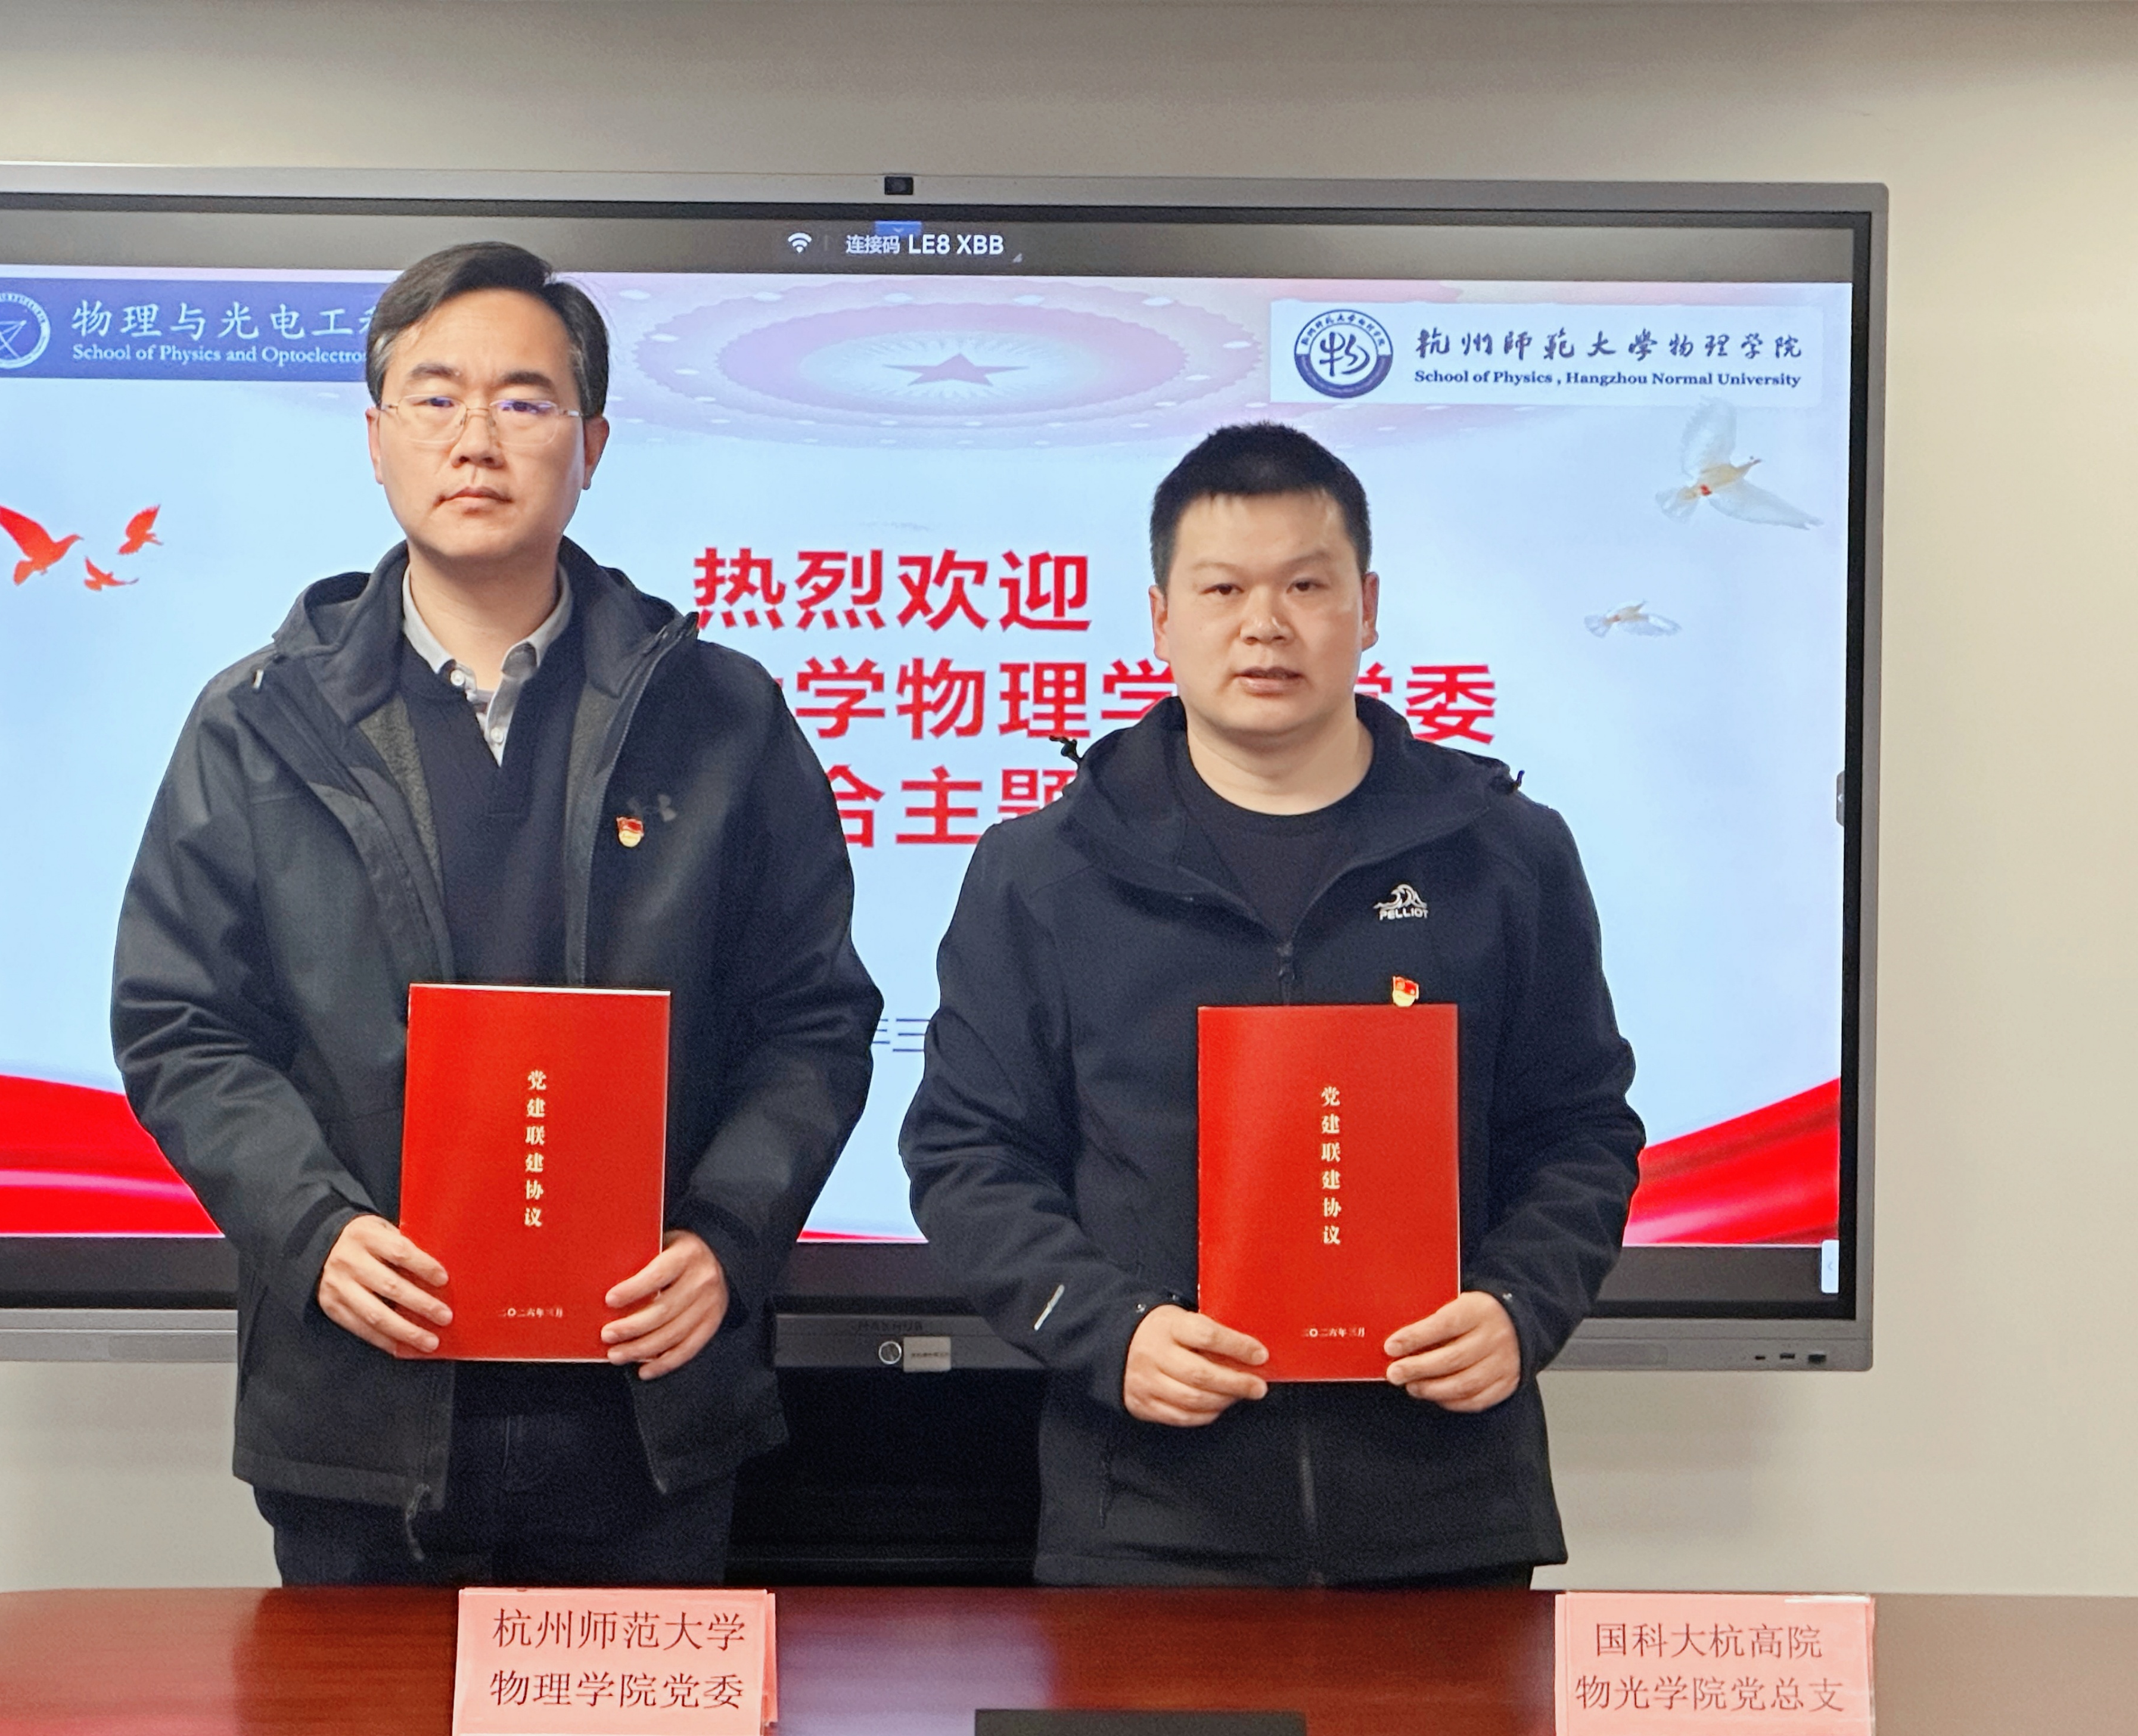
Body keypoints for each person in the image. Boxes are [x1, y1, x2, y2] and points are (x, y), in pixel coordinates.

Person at [113, 242, 880, 1585]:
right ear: (375, 440)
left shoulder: (721, 716)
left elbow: (810, 1021)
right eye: (435, 397)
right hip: (365, 1414)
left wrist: (728, 1236)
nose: (477, 438)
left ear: (592, 444)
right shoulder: (256, 721)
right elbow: (182, 1024)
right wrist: (314, 1231)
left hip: (648, 1414)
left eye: (525, 401)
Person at [900, 422, 1643, 1586]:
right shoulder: (1043, 871)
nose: (1265, 624)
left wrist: (1518, 1305)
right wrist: (1111, 1332)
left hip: (1449, 1516)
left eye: (1305, 585)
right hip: (1148, 1520)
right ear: (1160, 619)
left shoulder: (1504, 855)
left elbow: (1580, 1128)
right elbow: (967, 1154)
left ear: (1367, 606)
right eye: (1222, 589)